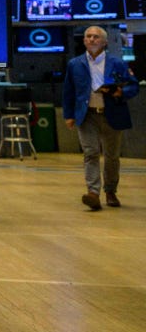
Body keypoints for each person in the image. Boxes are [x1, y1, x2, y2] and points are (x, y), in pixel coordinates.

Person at [62, 25, 138, 210]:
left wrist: (121, 91)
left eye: (96, 37)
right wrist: (68, 115)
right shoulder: (75, 64)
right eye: (88, 36)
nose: (92, 39)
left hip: (112, 113)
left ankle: (110, 190)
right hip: (87, 115)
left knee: (112, 155)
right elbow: (69, 91)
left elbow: (133, 86)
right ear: (84, 41)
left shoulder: (118, 63)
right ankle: (93, 193)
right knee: (91, 153)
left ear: (104, 42)